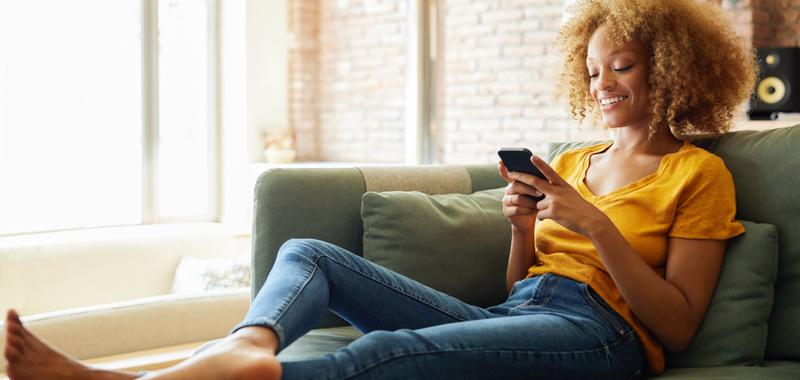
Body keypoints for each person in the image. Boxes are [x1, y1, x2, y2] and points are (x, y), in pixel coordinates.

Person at [3, 0, 756, 378]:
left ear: (669, 67)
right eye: (592, 71)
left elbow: (678, 326)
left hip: (604, 337)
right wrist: (524, 229)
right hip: (527, 309)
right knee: (311, 253)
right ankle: (249, 344)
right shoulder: (577, 157)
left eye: (621, 67)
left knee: (392, 351)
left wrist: (594, 224)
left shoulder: (698, 174)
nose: (603, 84)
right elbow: (520, 291)